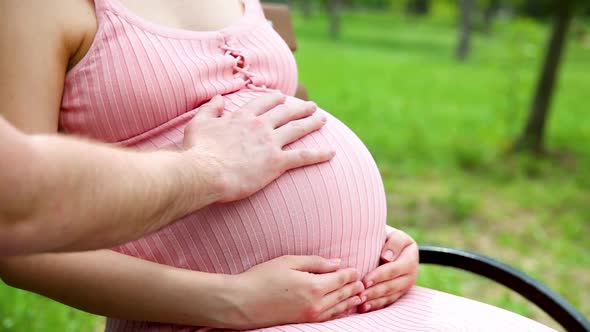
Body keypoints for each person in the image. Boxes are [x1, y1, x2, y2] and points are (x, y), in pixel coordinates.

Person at [0, 0, 555, 331]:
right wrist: (235, 301)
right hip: (212, 319)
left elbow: (269, 140)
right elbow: (17, 237)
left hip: (358, 304)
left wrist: (374, 241)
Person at [0, 95, 334, 256]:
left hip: (358, 284)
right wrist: (210, 167)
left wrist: (366, 232)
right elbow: (22, 207)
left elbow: (267, 133)